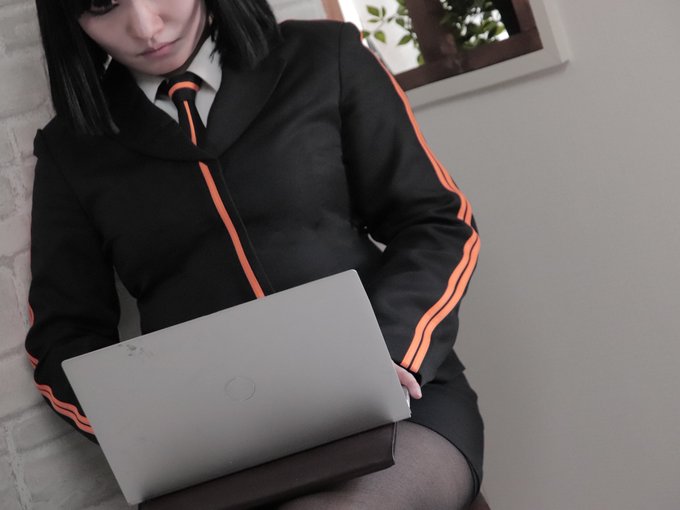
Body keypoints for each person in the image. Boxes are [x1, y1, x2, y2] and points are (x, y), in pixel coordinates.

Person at [25, 0, 484, 508]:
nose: (145, 27)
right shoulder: (70, 150)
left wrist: (392, 350)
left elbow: (436, 222)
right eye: (102, 6)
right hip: (214, 449)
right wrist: (142, 425)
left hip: (394, 403)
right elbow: (62, 335)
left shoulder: (323, 56)